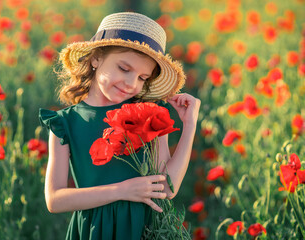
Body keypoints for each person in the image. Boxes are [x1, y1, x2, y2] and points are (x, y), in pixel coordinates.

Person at [39, 12, 201, 240]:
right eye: (124, 69)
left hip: (143, 229)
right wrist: (122, 190)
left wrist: (190, 124)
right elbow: (54, 200)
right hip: (94, 232)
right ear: (96, 58)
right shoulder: (65, 122)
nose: (131, 84)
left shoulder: (148, 115)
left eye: (143, 78)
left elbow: (166, 189)